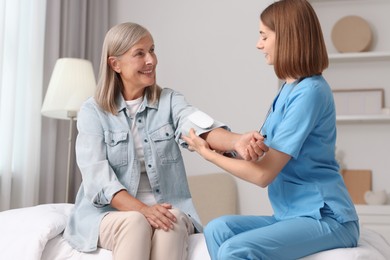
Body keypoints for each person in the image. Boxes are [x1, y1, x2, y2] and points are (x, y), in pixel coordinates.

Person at [63, 22, 267, 260]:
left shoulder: (169, 101)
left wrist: (236, 141)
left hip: (168, 209)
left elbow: (198, 127)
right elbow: (98, 180)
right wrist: (144, 210)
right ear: (114, 63)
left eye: (152, 50)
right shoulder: (93, 112)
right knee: (136, 223)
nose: (151, 60)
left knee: (171, 222)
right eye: (140, 53)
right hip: (109, 215)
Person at [182, 0, 359, 259]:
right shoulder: (288, 89)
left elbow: (263, 175)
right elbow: (265, 156)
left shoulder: (310, 92)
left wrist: (209, 156)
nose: (259, 44)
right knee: (218, 229)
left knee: (235, 248)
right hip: (292, 215)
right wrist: (237, 147)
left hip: (328, 218)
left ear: (287, 37)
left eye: (264, 36)